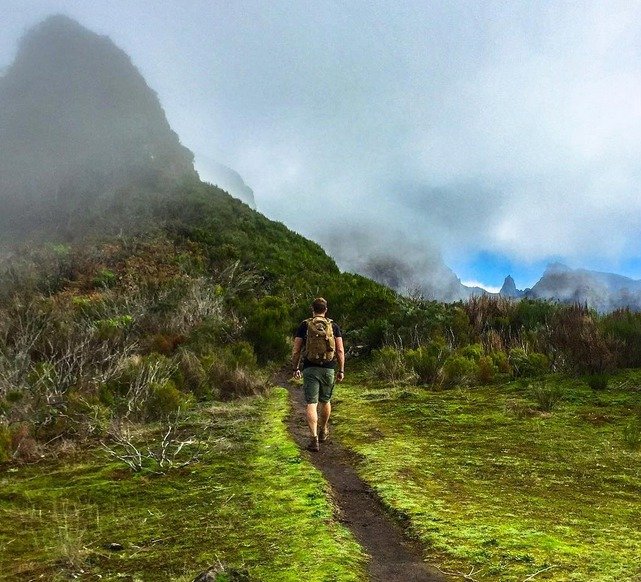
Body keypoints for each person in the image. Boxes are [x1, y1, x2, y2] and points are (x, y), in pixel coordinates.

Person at [292, 297, 345, 452]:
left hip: (310, 368)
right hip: (329, 368)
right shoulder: (333, 326)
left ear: (312, 309)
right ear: (326, 310)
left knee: (311, 403)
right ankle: (323, 430)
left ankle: (314, 439)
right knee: (326, 400)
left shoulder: (305, 325)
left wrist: (295, 368)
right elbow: (340, 351)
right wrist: (341, 370)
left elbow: (296, 350)